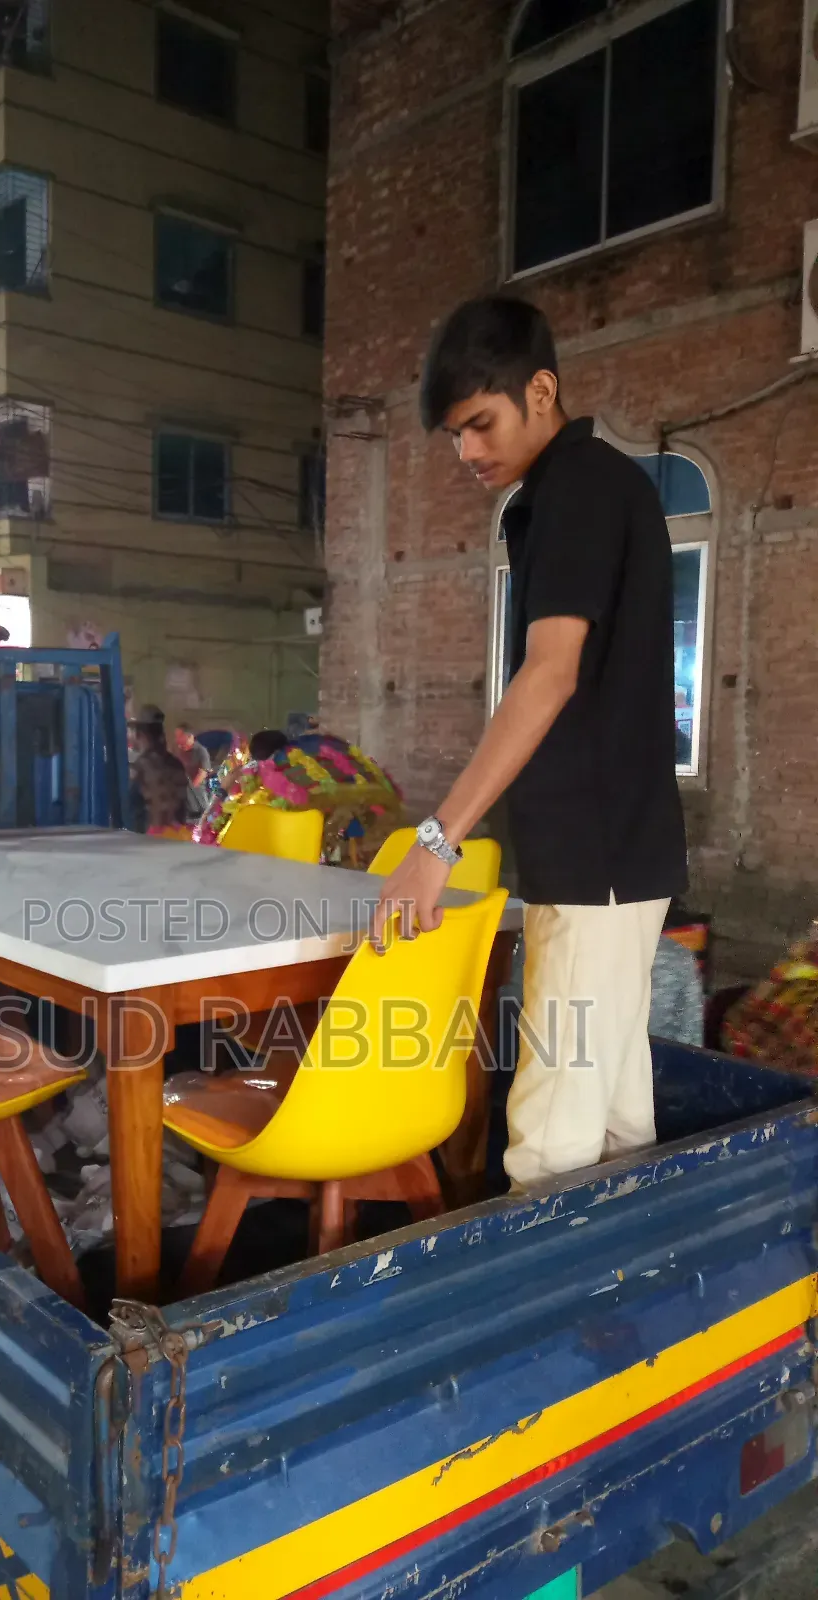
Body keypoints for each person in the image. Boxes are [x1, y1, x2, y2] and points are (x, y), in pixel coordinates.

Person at [371, 296, 687, 1189]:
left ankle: (553, 1324)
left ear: (540, 390)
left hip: (598, 857)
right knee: (616, 1114)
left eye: (479, 423)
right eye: (453, 435)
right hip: (615, 854)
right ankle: (622, 1314)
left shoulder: (579, 487)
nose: (467, 452)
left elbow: (549, 675)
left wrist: (436, 842)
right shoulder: (576, 492)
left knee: (550, 1138)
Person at [128, 704, 190, 834]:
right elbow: (184, 807)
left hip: (150, 842)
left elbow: (129, 807)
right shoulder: (177, 764)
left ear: (139, 735)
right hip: (177, 838)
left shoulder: (139, 767)